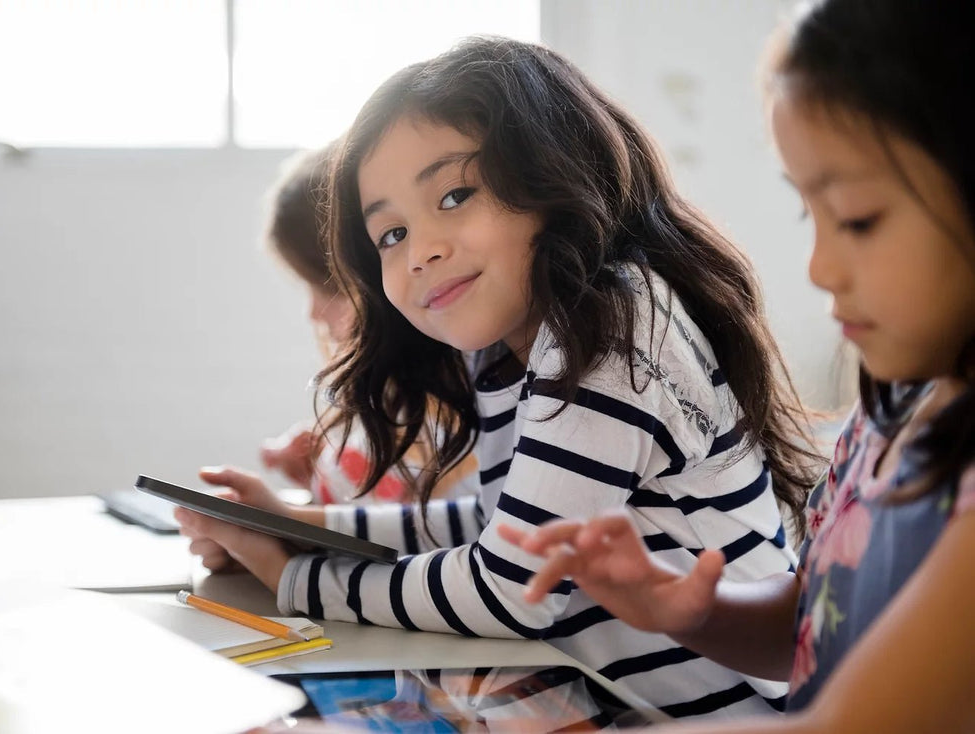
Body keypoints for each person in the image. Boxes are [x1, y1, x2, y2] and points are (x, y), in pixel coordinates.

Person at [176, 37, 822, 720]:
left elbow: (510, 587)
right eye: (391, 234)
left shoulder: (612, 325)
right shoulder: (511, 346)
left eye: (454, 195)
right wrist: (299, 523)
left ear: (553, 175)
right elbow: (498, 524)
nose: (421, 249)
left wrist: (295, 578)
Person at [500, 1, 975, 730]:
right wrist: (685, 607)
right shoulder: (888, 415)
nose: (818, 266)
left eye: (856, 218)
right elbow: (814, 623)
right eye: (805, 213)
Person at [207, 144, 477, 509]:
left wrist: (280, 538)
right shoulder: (387, 402)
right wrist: (322, 465)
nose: (314, 314)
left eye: (324, 288)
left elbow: (407, 541)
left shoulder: (462, 427)